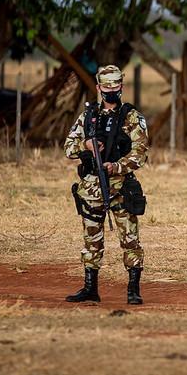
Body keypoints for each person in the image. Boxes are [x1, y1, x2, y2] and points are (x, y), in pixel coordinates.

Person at [63, 65, 149, 304]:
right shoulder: (89, 116)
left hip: (121, 187)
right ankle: (90, 288)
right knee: (92, 239)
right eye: (106, 86)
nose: (111, 90)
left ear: (121, 86)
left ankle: (133, 290)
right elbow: (68, 147)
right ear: (99, 87)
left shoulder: (132, 117)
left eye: (116, 85)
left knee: (130, 239)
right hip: (91, 188)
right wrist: (86, 146)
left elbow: (140, 154)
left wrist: (116, 167)